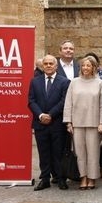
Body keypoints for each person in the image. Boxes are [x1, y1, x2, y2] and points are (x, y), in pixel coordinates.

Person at [63, 55, 102, 190]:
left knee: (93, 152)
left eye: (88, 65)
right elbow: (68, 103)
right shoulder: (74, 82)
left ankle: (92, 177)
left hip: (94, 123)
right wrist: (68, 122)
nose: (85, 68)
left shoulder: (99, 83)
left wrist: (101, 123)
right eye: (83, 65)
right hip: (77, 122)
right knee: (79, 152)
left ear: (94, 67)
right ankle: (83, 177)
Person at [28, 55, 70, 190]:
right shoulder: (35, 81)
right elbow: (31, 101)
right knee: (43, 152)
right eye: (45, 63)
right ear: (42, 66)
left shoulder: (64, 82)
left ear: (56, 66)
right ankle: (45, 178)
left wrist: (50, 115)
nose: (48, 66)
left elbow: (64, 102)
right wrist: (41, 115)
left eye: (51, 63)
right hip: (40, 123)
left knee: (59, 152)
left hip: (57, 123)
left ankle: (60, 178)